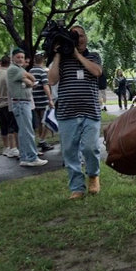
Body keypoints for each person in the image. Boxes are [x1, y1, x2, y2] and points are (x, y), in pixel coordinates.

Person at [48, 25, 103, 199]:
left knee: (90, 147)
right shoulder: (61, 59)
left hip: (90, 111)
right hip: (66, 113)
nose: (78, 38)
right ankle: (76, 187)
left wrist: (76, 55)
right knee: (70, 152)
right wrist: (57, 54)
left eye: (80, 35)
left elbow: (97, 72)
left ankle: (93, 175)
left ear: (86, 37)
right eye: (74, 36)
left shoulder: (93, 56)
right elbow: (52, 79)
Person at [7, 48, 48, 166]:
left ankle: (25, 157)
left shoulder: (18, 69)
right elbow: (32, 79)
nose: (21, 59)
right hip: (21, 103)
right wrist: (27, 80)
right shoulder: (14, 69)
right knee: (28, 131)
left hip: (22, 102)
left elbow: (30, 81)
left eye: (22, 57)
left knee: (24, 131)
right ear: (13, 58)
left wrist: (27, 80)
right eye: (18, 57)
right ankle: (31, 157)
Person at [0, 55, 20, 158]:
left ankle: (6, 147)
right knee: (12, 126)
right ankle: (13, 147)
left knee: (3, 127)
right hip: (8, 103)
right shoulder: (8, 74)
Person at [30, 53, 55, 152]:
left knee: (40, 123)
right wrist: (50, 99)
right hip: (43, 100)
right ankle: (42, 140)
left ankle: (41, 140)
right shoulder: (42, 72)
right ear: (43, 61)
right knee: (47, 121)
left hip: (34, 101)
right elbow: (45, 86)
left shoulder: (30, 71)